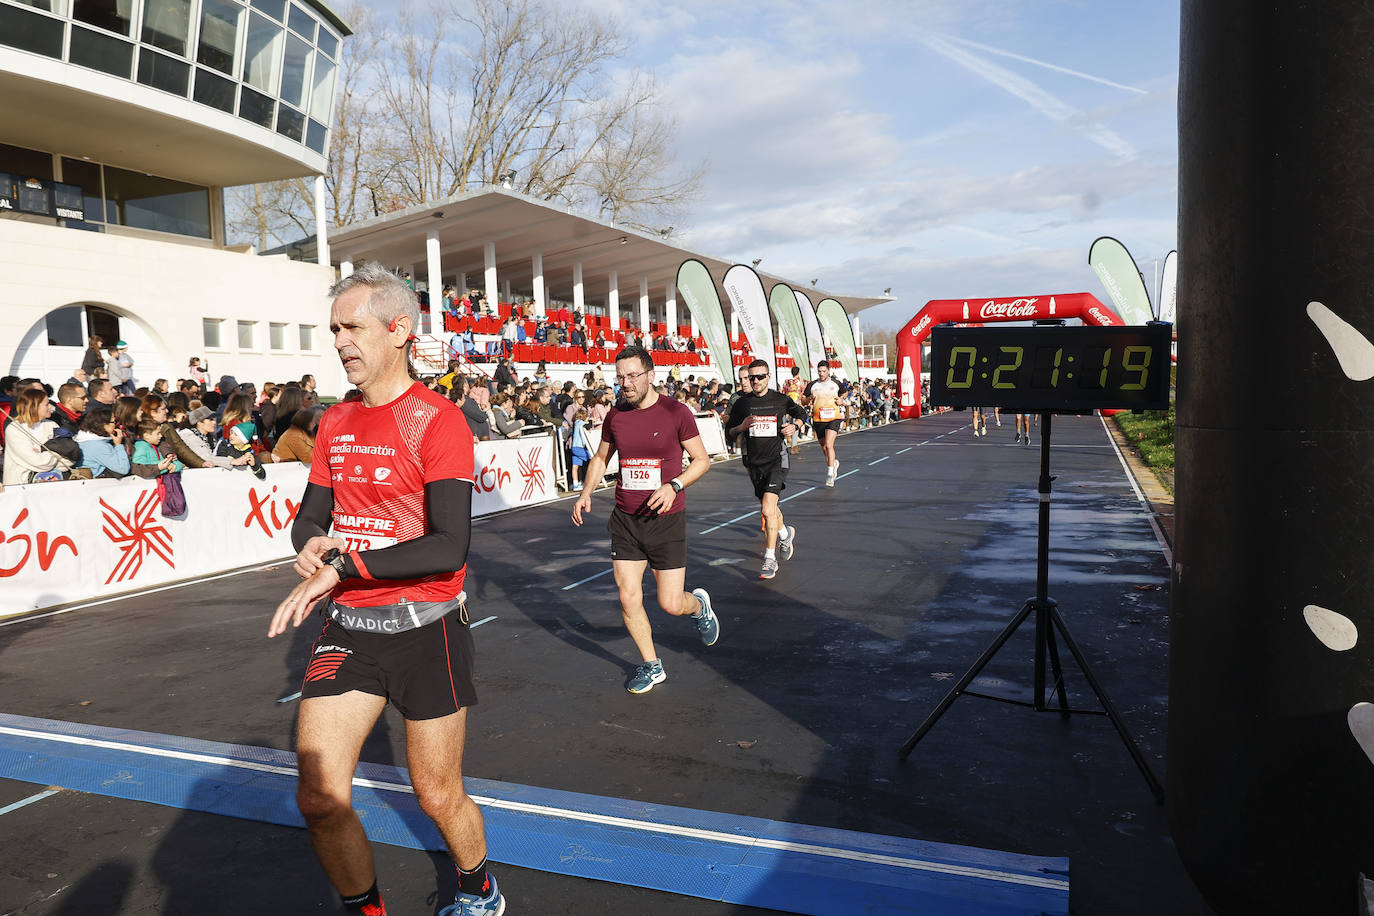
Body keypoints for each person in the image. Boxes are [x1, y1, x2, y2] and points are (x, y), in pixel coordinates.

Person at [267, 263, 502, 916]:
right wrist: (311, 542)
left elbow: (447, 545)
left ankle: (479, 885)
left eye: (354, 327)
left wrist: (343, 567)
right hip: (351, 631)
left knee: (436, 794)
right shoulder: (335, 422)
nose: (341, 341)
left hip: (428, 630)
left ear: (399, 329)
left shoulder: (438, 420)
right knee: (318, 797)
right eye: (335, 328)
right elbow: (311, 515)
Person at [570, 345, 719, 694]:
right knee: (627, 596)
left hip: (666, 520)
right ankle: (652, 665)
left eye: (633, 375)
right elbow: (601, 457)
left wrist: (674, 484)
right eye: (620, 377)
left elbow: (701, 460)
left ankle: (698, 607)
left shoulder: (675, 412)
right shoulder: (616, 416)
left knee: (670, 603)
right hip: (625, 518)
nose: (626, 383)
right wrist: (586, 492)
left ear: (651, 375)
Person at [725, 360, 808, 579]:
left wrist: (795, 426)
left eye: (760, 377)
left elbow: (802, 413)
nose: (755, 381)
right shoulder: (743, 403)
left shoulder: (781, 399)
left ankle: (770, 559)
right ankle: (784, 533)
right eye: (751, 377)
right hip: (754, 463)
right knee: (770, 509)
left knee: (767, 509)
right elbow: (729, 432)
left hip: (776, 461)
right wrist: (741, 427)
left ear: (768, 377)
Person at [2, 388, 77, 484]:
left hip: (54, 484)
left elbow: (70, 457)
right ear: (33, 406)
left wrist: (44, 453)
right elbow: (37, 461)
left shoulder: (52, 425)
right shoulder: (14, 429)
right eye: (46, 404)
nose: (50, 407)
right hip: (22, 486)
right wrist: (57, 454)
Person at [803, 361, 849, 486]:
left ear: (828, 371)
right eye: (819, 371)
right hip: (818, 419)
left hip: (834, 418)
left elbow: (845, 392)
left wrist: (842, 399)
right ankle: (833, 463)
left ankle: (829, 474)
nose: (821, 373)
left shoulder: (835, 383)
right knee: (824, 447)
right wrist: (809, 399)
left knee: (829, 445)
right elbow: (803, 400)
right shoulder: (812, 385)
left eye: (824, 371)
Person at [74, 405, 131, 478]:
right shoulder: (99, 446)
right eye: (114, 422)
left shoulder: (82, 439)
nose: (116, 425)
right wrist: (118, 445)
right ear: (105, 425)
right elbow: (123, 468)